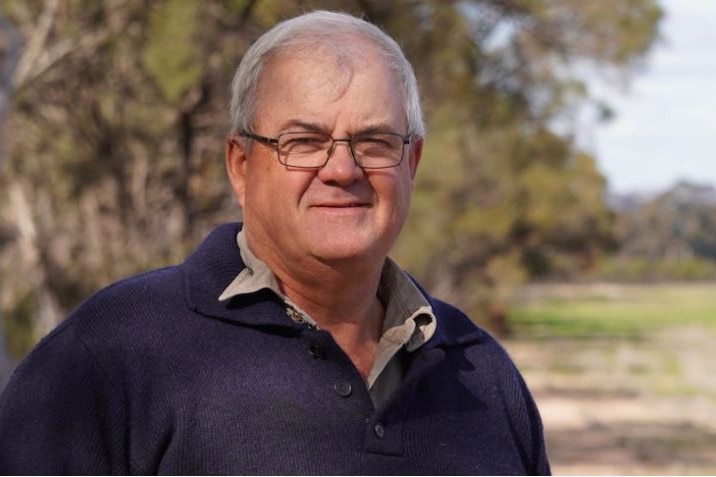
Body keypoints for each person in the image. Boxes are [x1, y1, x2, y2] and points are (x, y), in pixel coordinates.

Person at [0, 10, 550, 475]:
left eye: (375, 141)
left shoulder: (480, 369)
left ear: (412, 162)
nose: (342, 169)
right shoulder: (109, 355)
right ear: (240, 165)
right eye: (304, 141)